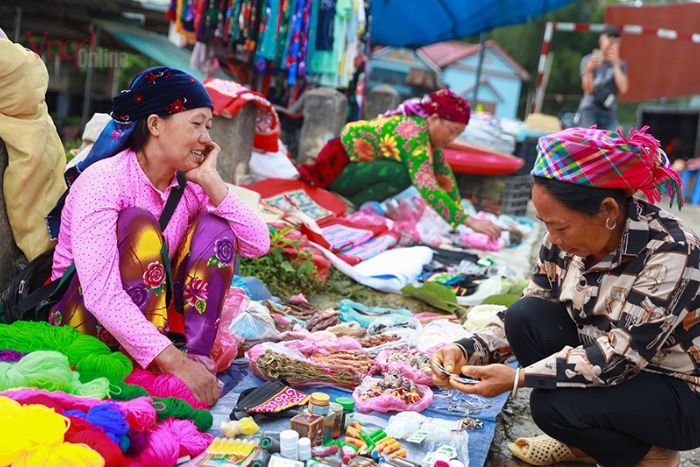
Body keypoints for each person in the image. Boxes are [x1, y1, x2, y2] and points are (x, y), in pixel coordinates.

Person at [431, 126, 700, 466]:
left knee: (552, 406)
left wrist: (517, 378)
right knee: (525, 316)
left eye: (560, 226)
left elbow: (621, 358)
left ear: (608, 211)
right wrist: (469, 349)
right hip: (608, 360)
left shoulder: (672, 251)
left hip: (677, 390)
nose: (552, 238)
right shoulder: (560, 243)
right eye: (545, 224)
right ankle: (588, 445)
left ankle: (653, 455)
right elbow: (529, 305)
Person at [49, 67, 270, 406]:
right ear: (154, 125)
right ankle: (168, 364)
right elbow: (100, 295)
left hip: (152, 327)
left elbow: (258, 244)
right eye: (196, 124)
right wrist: (173, 361)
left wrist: (211, 180)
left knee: (217, 228)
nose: (206, 138)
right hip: (82, 321)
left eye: (208, 127)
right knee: (140, 228)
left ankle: (197, 358)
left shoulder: (188, 185)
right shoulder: (105, 180)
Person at [299, 89, 501, 240]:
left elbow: (443, 177)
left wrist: (464, 217)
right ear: (434, 118)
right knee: (403, 175)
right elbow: (427, 185)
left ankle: (352, 204)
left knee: (405, 174)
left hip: (355, 169)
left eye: (458, 134)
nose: (452, 138)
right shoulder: (412, 133)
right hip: (337, 169)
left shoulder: (427, 137)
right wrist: (469, 221)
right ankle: (348, 205)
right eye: (452, 130)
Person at [576, 25, 629, 130]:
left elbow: (623, 89)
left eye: (615, 42)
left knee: (613, 141)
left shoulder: (621, 64)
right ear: (601, 41)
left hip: (609, 110)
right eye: (609, 40)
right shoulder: (588, 60)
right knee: (589, 138)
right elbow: (588, 89)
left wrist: (616, 65)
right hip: (590, 108)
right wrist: (589, 70)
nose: (611, 45)